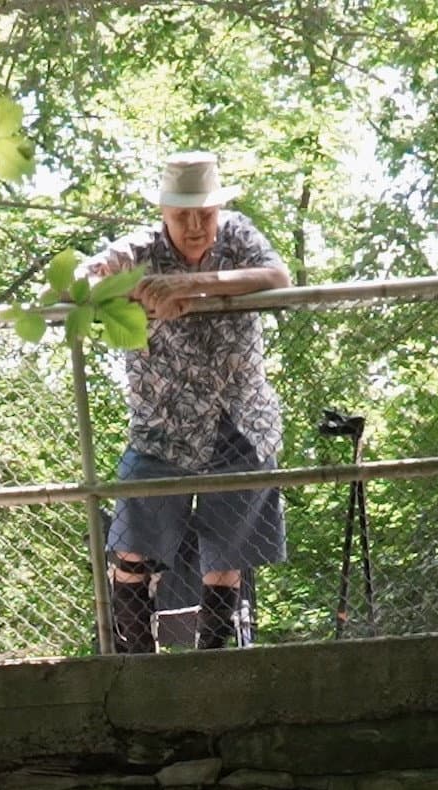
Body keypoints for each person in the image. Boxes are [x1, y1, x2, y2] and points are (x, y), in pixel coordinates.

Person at [76, 151, 294, 653]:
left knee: (227, 557)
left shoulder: (238, 235)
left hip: (242, 422)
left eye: (205, 214)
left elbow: (278, 279)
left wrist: (192, 286)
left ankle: (213, 662)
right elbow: (76, 284)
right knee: (130, 546)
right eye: (182, 215)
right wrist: (135, 293)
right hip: (163, 427)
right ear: (162, 213)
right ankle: (134, 663)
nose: (196, 226)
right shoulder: (139, 250)